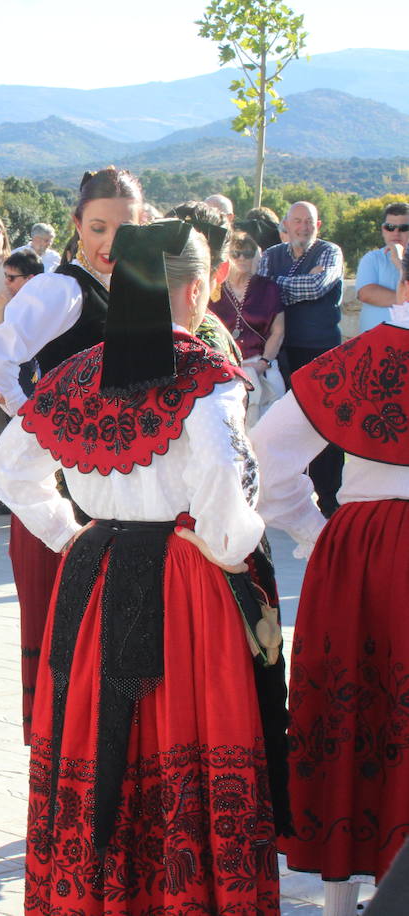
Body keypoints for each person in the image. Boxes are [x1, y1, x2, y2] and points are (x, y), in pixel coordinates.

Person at [0, 219, 279, 916]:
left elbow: (9, 470)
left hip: (94, 579)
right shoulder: (209, 379)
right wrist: (231, 545)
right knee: (187, 733)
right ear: (196, 289)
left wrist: (73, 536)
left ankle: (97, 896)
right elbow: (221, 487)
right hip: (184, 582)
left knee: (95, 732)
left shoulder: (74, 375)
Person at [251, 249, 409, 916]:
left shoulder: (360, 357)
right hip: (370, 549)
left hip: (365, 552)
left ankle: (342, 901)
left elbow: (265, 453)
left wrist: (314, 532)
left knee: (353, 717)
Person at [0, 167, 144, 744]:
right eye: (98, 227)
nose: (110, 242)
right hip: (57, 499)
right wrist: (44, 427)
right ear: (76, 225)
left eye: (126, 227)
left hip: (118, 490)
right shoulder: (60, 288)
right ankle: (62, 788)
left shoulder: (139, 288)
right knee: (65, 641)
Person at [257, 201, 346, 515]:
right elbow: (260, 290)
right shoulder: (271, 255)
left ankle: (329, 498)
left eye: (309, 222)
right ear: (286, 225)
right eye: (297, 221)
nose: (303, 227)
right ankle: (284, 497)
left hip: (321, 352)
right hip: (281, 352)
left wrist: (277, 287)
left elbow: (318, 285)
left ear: (317, 225)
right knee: (283, 423)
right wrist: (282, 287)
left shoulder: (329, 252)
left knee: (325, 426)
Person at [212, 230, 285, 428]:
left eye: (248, 252)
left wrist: (263, 363)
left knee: (269, 431)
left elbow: (278, 332)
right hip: (224, 369)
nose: (243, 257)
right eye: (236, 253)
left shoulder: (268, 288)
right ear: (227, 256)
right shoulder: (214, 289)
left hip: (262, 366)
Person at [353, 201, 408, 333]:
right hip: (375, 345)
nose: (396, 232)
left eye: (403, 228)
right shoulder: (372, 259)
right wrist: (405, 301)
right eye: (390, 227)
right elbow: (366, 294)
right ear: (383, 230)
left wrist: (399, 262)